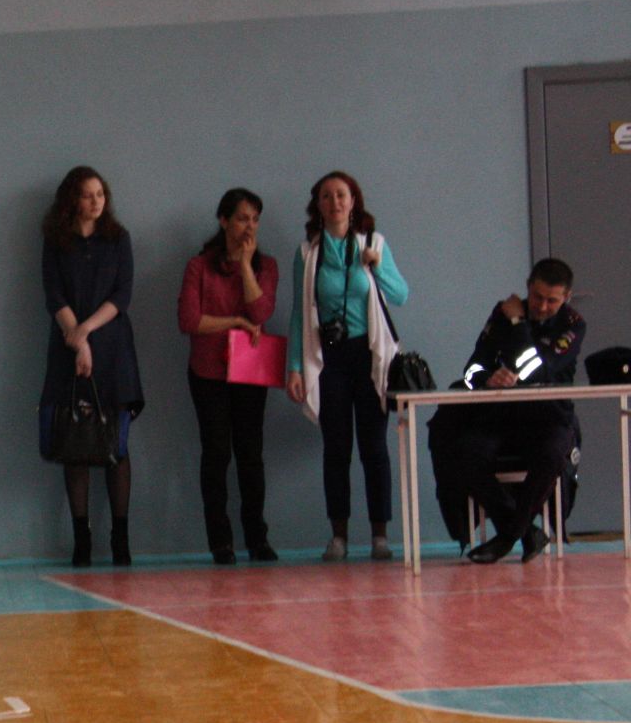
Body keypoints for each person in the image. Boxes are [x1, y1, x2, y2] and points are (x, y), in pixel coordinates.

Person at [285, 171, 410, 561]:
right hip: (330, 359)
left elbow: (401, 294)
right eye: (327, 196)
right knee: (335, 448)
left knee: (374, 447)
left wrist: (377, 266)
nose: (335, 202)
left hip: (369, 357)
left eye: (341, 195)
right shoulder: (308, 253)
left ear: (353, 201)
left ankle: (380, 535)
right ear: (318, 205)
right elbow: (297, 314)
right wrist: (294, 367)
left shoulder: (374, 244)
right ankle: (338, 535)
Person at [437, 258, 587, 563]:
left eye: (552, 300)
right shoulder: (501, 313)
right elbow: (472, 368)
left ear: (566, 298)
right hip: (501, 416)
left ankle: (507, 537)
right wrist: (488, 378)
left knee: (552, 455)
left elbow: (540, 370)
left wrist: (519, 324)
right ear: (528, 288)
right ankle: (524, 531)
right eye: (537, 297)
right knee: (464, 453)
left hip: (550, 417)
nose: (542, 306)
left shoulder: (573, 324)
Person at [38, 166, 144, 566]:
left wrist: (86, 332)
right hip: (67, 347)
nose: (96, 201)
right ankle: (81, 538)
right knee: (74, 442)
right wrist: (76, 338)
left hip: (112, 346)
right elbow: (54, 294)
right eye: (87, 194)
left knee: (115, 441)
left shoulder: (118, 240)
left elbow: (122, 294)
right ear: (72, 200)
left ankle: (121, 536)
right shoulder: (55, 241)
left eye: (101, 193)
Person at [178, 188, 280, 564]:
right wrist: (233, 322)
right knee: (217, 453)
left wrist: (246, 266)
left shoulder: (265, 266)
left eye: (254, 219)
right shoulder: (199, 266)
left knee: (251, 455)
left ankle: (257, 538)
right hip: (209, 372)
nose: (248, 227)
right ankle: (220, 541)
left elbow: (261, 313)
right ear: (223, 221)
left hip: (250, 372)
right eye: (241, 218)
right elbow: (189, 320)